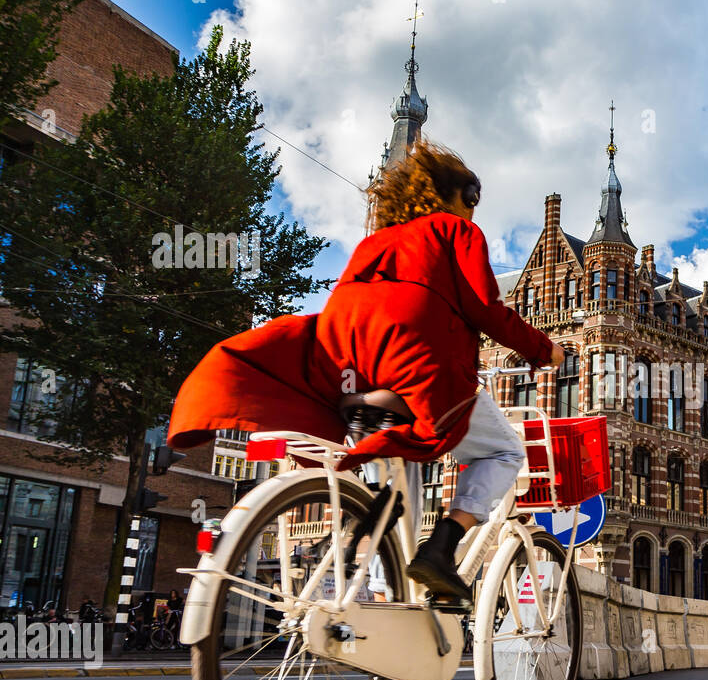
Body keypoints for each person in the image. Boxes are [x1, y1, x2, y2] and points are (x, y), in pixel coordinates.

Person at [167, 142, 561, 612]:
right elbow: (485, 308)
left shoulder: (374, 243)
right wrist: (545, 349)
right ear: (453, 195)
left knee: (398, 481)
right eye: (471, 197)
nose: (474, 211)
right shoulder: (455, 231)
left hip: (349, 369)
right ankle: (442, 546)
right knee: (504, 449)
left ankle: (381, 607)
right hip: (415, 366)